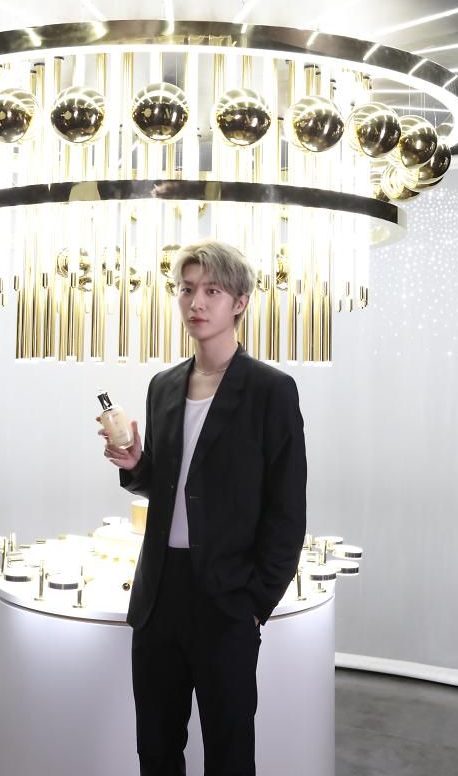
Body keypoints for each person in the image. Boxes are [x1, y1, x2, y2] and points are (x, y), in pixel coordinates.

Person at [98, 239, 307, 776]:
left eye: (212, 291)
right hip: (159, 595)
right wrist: (135, 465)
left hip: (227, 599)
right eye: (187, 289)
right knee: (156, 750)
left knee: (229, 753)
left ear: (239, 302)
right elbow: (170, 487)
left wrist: (256, 601)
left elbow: (287, 510)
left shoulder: (271, 390)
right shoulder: (163, 386)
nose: (196, 302)